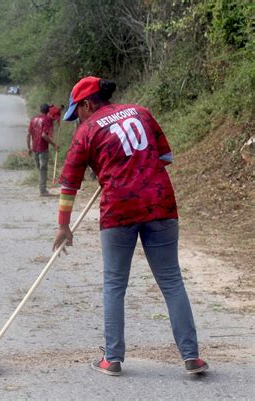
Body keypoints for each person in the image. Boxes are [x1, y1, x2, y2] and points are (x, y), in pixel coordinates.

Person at [53, 76, 208, 376]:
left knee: (114, 284)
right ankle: (192, 357)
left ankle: (112, 359)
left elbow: (68, 185)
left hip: (118, 210)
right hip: (160, 204)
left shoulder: (87, 131)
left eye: (78, 112)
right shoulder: (141, 112)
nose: (77, 119)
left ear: (87, 103)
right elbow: (165, 156)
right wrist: (134, 165)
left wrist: (63, 226)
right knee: (172, 281)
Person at [27, 103, 58, 196]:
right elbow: (44, 135)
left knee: (40, 169)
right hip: (42, 148)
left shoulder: (34, 119)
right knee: (43, 169)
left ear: (40, 110)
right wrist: (54, 144)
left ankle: (41, 188)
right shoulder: (47, 120)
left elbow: (28, 134)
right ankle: (43, 190)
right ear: (48, 110)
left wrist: (29, 148)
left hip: (34, 148)